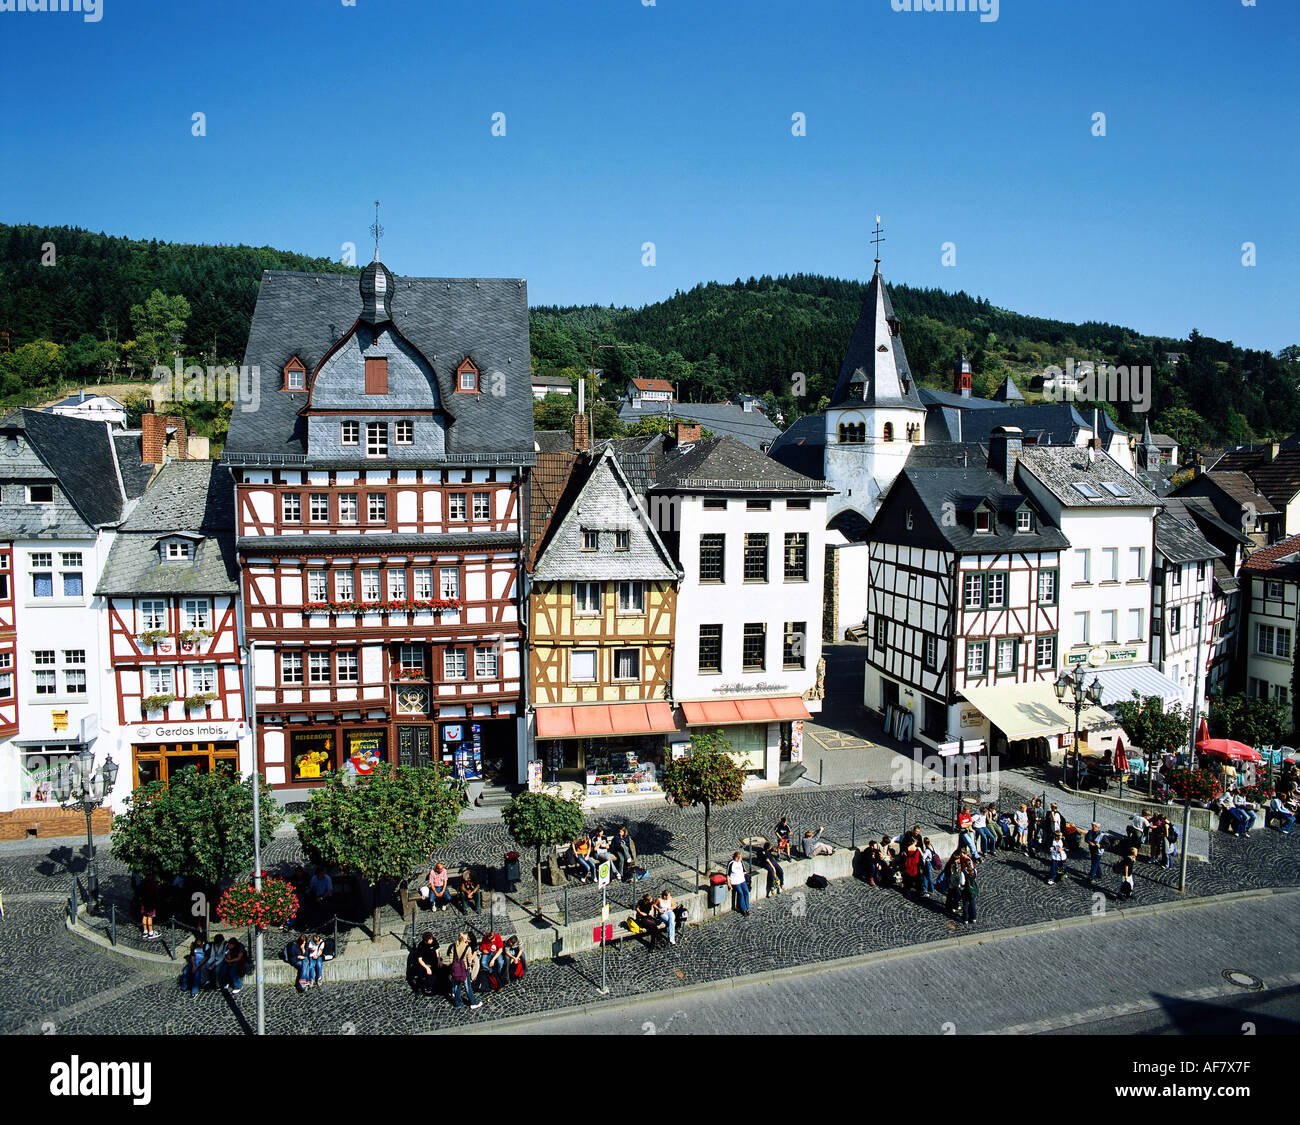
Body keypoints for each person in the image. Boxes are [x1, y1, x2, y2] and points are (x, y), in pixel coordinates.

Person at [449, 933, 482, 1010]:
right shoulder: (467, 948)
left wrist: (453, 966)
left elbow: (451, 957)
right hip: (464, 969)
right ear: (464, 939)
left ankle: (458, 1003)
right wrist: (469, 967)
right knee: (467, 986)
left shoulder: (454, 946)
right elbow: (469, 960)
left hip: (456, 969)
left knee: (456, 986)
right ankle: (473, 1002)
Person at [727, 851, 750, 916]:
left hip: (742, 880)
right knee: (740, 893)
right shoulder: (731, 863)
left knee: (746, 892)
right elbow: (728, 874)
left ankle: (747, 908)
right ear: (737, 858)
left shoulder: (741, 862)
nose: (741, 859)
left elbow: (744, 871)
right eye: (740, 858)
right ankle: (743, 909)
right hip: (735, 881)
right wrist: (729, 883)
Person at [138, 875, 160, 941]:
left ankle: (145, 931)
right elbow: (155, 895)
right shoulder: (152, 886)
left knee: (144, 916)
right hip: (150, 904)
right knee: (150, 917)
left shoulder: (142, 885)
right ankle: (151, 933)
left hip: (144, 903)